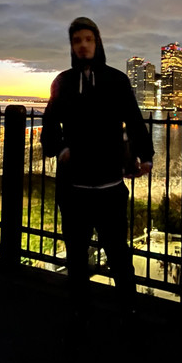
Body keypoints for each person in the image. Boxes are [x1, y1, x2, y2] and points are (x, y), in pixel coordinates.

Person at [41, 17, 154, 322]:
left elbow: (134, 120)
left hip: (109, 186)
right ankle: (79, 309)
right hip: (73, 186)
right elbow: (49, 124)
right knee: (76, 255)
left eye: (88, 39)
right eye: (77, 40)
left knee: (118, 253)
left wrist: (146, 156)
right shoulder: (62, 82)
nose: (83, 46)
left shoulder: (116, 80)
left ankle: (129, 308)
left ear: (97, 43)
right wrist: (60, 149)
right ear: (71, 46)